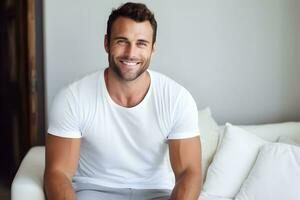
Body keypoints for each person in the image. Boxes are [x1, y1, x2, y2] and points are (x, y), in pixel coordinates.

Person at [44, 2, 202, 200]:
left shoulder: (177, 99)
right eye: (121, 41)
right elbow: (57, 174)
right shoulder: (72, 98)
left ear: (153, 48)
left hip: (156, 193)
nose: (130, 53)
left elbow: (189, 172)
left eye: (141, 43)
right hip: (94, 191)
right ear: (106, 43)